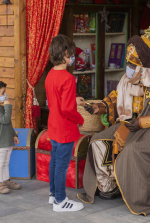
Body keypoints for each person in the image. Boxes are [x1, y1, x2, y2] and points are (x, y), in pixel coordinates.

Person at [77, 35, 150, 215]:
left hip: (149, 129)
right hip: (126, 123)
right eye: (128, 64)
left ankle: (139, 197)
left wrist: (144, 121)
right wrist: (100, 107)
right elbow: (114, 98)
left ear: (144, 67)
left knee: (131, 150)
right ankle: (109, 187)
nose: (128, 69)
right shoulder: (128, 78)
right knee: (97, 141)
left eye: (132, 65)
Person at [45, 34, 86, 212]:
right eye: (71, 52)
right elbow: (68, 110)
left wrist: (73, 100)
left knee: (54, 162)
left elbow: (58, 101)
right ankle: (60, 202)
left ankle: (53, 195)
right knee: (61, 165)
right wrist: (81, 119)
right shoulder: (68, 78)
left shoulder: (50, 74)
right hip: (65, 128)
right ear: (66, 53)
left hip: (53, 125)